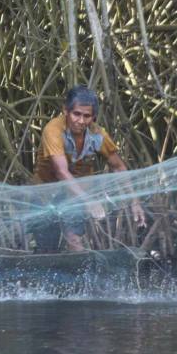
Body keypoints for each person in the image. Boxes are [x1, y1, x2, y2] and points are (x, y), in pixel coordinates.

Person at [31, 85, 146, 251]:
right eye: (76, 114)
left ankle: (81, 274)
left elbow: (119, 167)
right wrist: (89, 201)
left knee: (74, 239)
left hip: (75, 195)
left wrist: (134, 201)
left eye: (87, 116)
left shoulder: (97, 135)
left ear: (93, 117)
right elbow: (61, 171)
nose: (81, 121)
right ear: (66, 111)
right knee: (46, 246)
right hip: (45, 193)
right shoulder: (53, 130)